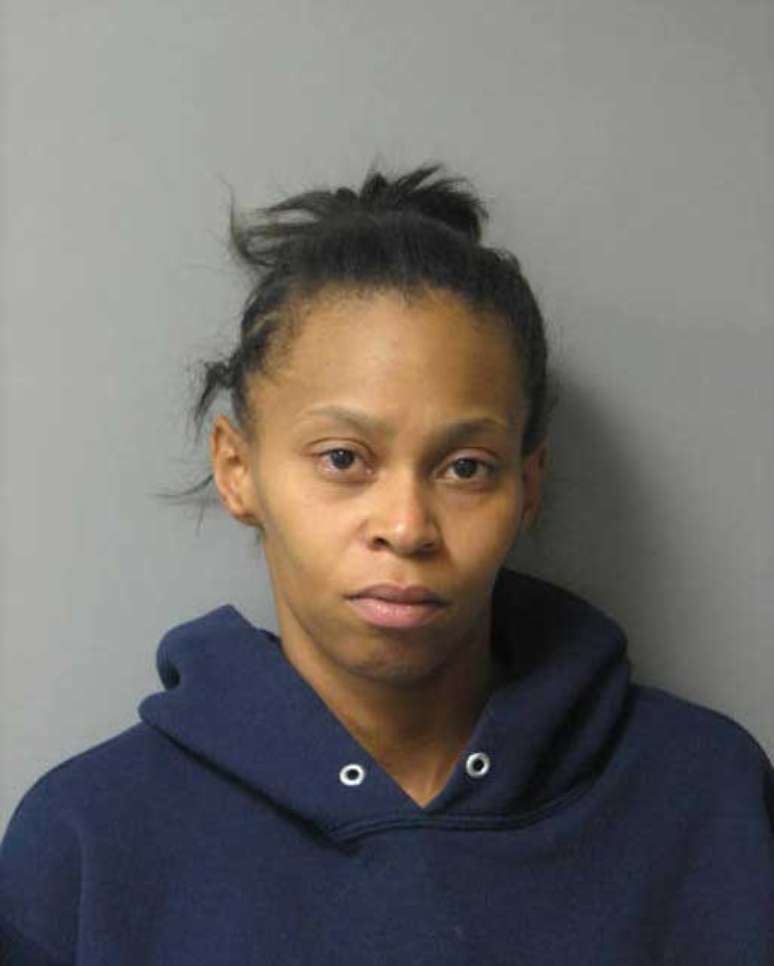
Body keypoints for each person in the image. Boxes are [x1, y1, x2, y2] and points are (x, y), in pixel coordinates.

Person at [0, 162, 772, 964]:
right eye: (343, 458)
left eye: (465, 467)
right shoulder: (84, 843)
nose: (406, 527)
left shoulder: (708, 800)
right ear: (237, 470)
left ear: (528, 486)